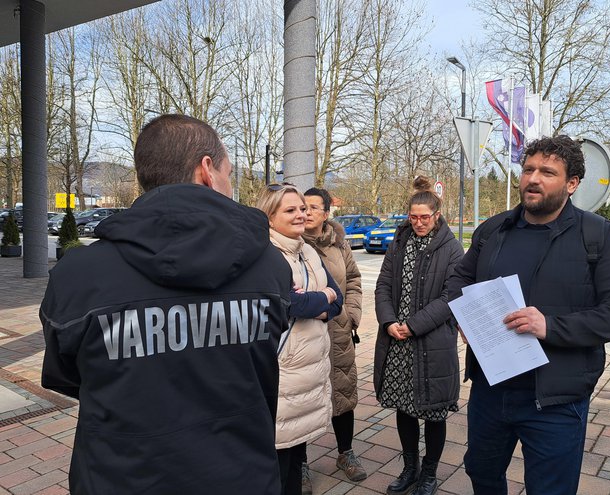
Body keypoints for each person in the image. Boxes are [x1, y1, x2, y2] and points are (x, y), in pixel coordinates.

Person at [40, 114, 292, 495]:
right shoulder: (270, 265)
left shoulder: (78, 274)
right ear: (206, 170)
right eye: (228, 173)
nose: (228, 184)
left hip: (119, 477)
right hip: (242, 475)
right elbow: (265, 354)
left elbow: (68, 376)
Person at [447, 135, 610, 495]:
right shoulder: (494, 230)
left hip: (556, 398)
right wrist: (463, 315)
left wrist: (550, 326)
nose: (533, 178)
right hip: (491, 389)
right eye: (528, 169)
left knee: (550, 489)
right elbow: (460, 278)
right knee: (481, 473)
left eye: (547, 172)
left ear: (572, 184)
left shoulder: (598, 236)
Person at [374, 176, 464, 495]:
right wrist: (388, 322)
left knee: (434, 412)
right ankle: (410, 468)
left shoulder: (452, 249)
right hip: (398, 341)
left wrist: (413, 325)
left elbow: (451, 297)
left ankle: (429, 474)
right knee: (404, 408)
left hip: (432, 344)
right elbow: (383, 285)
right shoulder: (399, 243)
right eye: (413, 217)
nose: (419, 223)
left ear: (437, 215)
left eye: (425, 217)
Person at [256, 182, 343, 495]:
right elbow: (289, 304)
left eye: (303, 209)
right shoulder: (265, 255)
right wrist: (322, 300)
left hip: (308, 375)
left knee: (295, 461)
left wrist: (319, 302)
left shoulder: (307, 250)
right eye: (290, 210)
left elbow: (338, 300)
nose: (300, 215)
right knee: (277, 466)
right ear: (269, 216)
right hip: (284, 376)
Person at [300, 187, 366, 493]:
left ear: (327, 213)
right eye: (304, 206)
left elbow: (353, 279)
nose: (307, 212)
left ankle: (345, 453)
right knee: (300, 396)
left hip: (338, 332)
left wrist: (351, 314)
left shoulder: (340, 244)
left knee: (342, 392)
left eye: (314, 207)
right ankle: (299, 462)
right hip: (302, 334)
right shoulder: (292, 244)